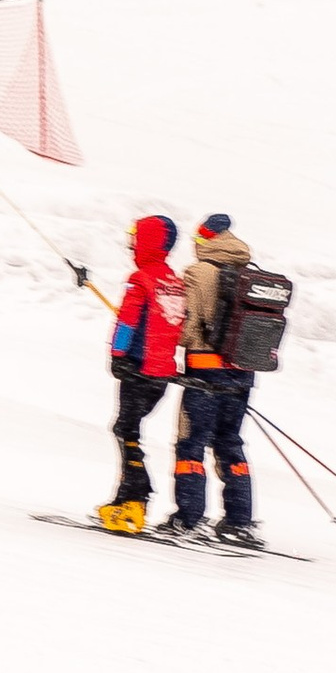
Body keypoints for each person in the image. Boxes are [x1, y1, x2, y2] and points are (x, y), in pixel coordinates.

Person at [163, 210, 261, 544]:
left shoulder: (199, 272)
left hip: (204, 374)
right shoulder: (250, 272)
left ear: (205, 240)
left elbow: (188, 326)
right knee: (230, 445)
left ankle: (188, 519)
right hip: (242, 375)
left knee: (191, 445)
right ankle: (239, 520)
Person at [99, 212, 185, 531]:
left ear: (147, 242)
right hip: (161, 375)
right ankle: (125, 497)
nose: (131, 244)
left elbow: (127, 322)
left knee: (125, 430)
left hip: (137, 370)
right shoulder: (173, 282)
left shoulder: (141, 279)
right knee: (128, 429)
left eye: (135, 237)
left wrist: (118, 354)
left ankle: (135, 499)